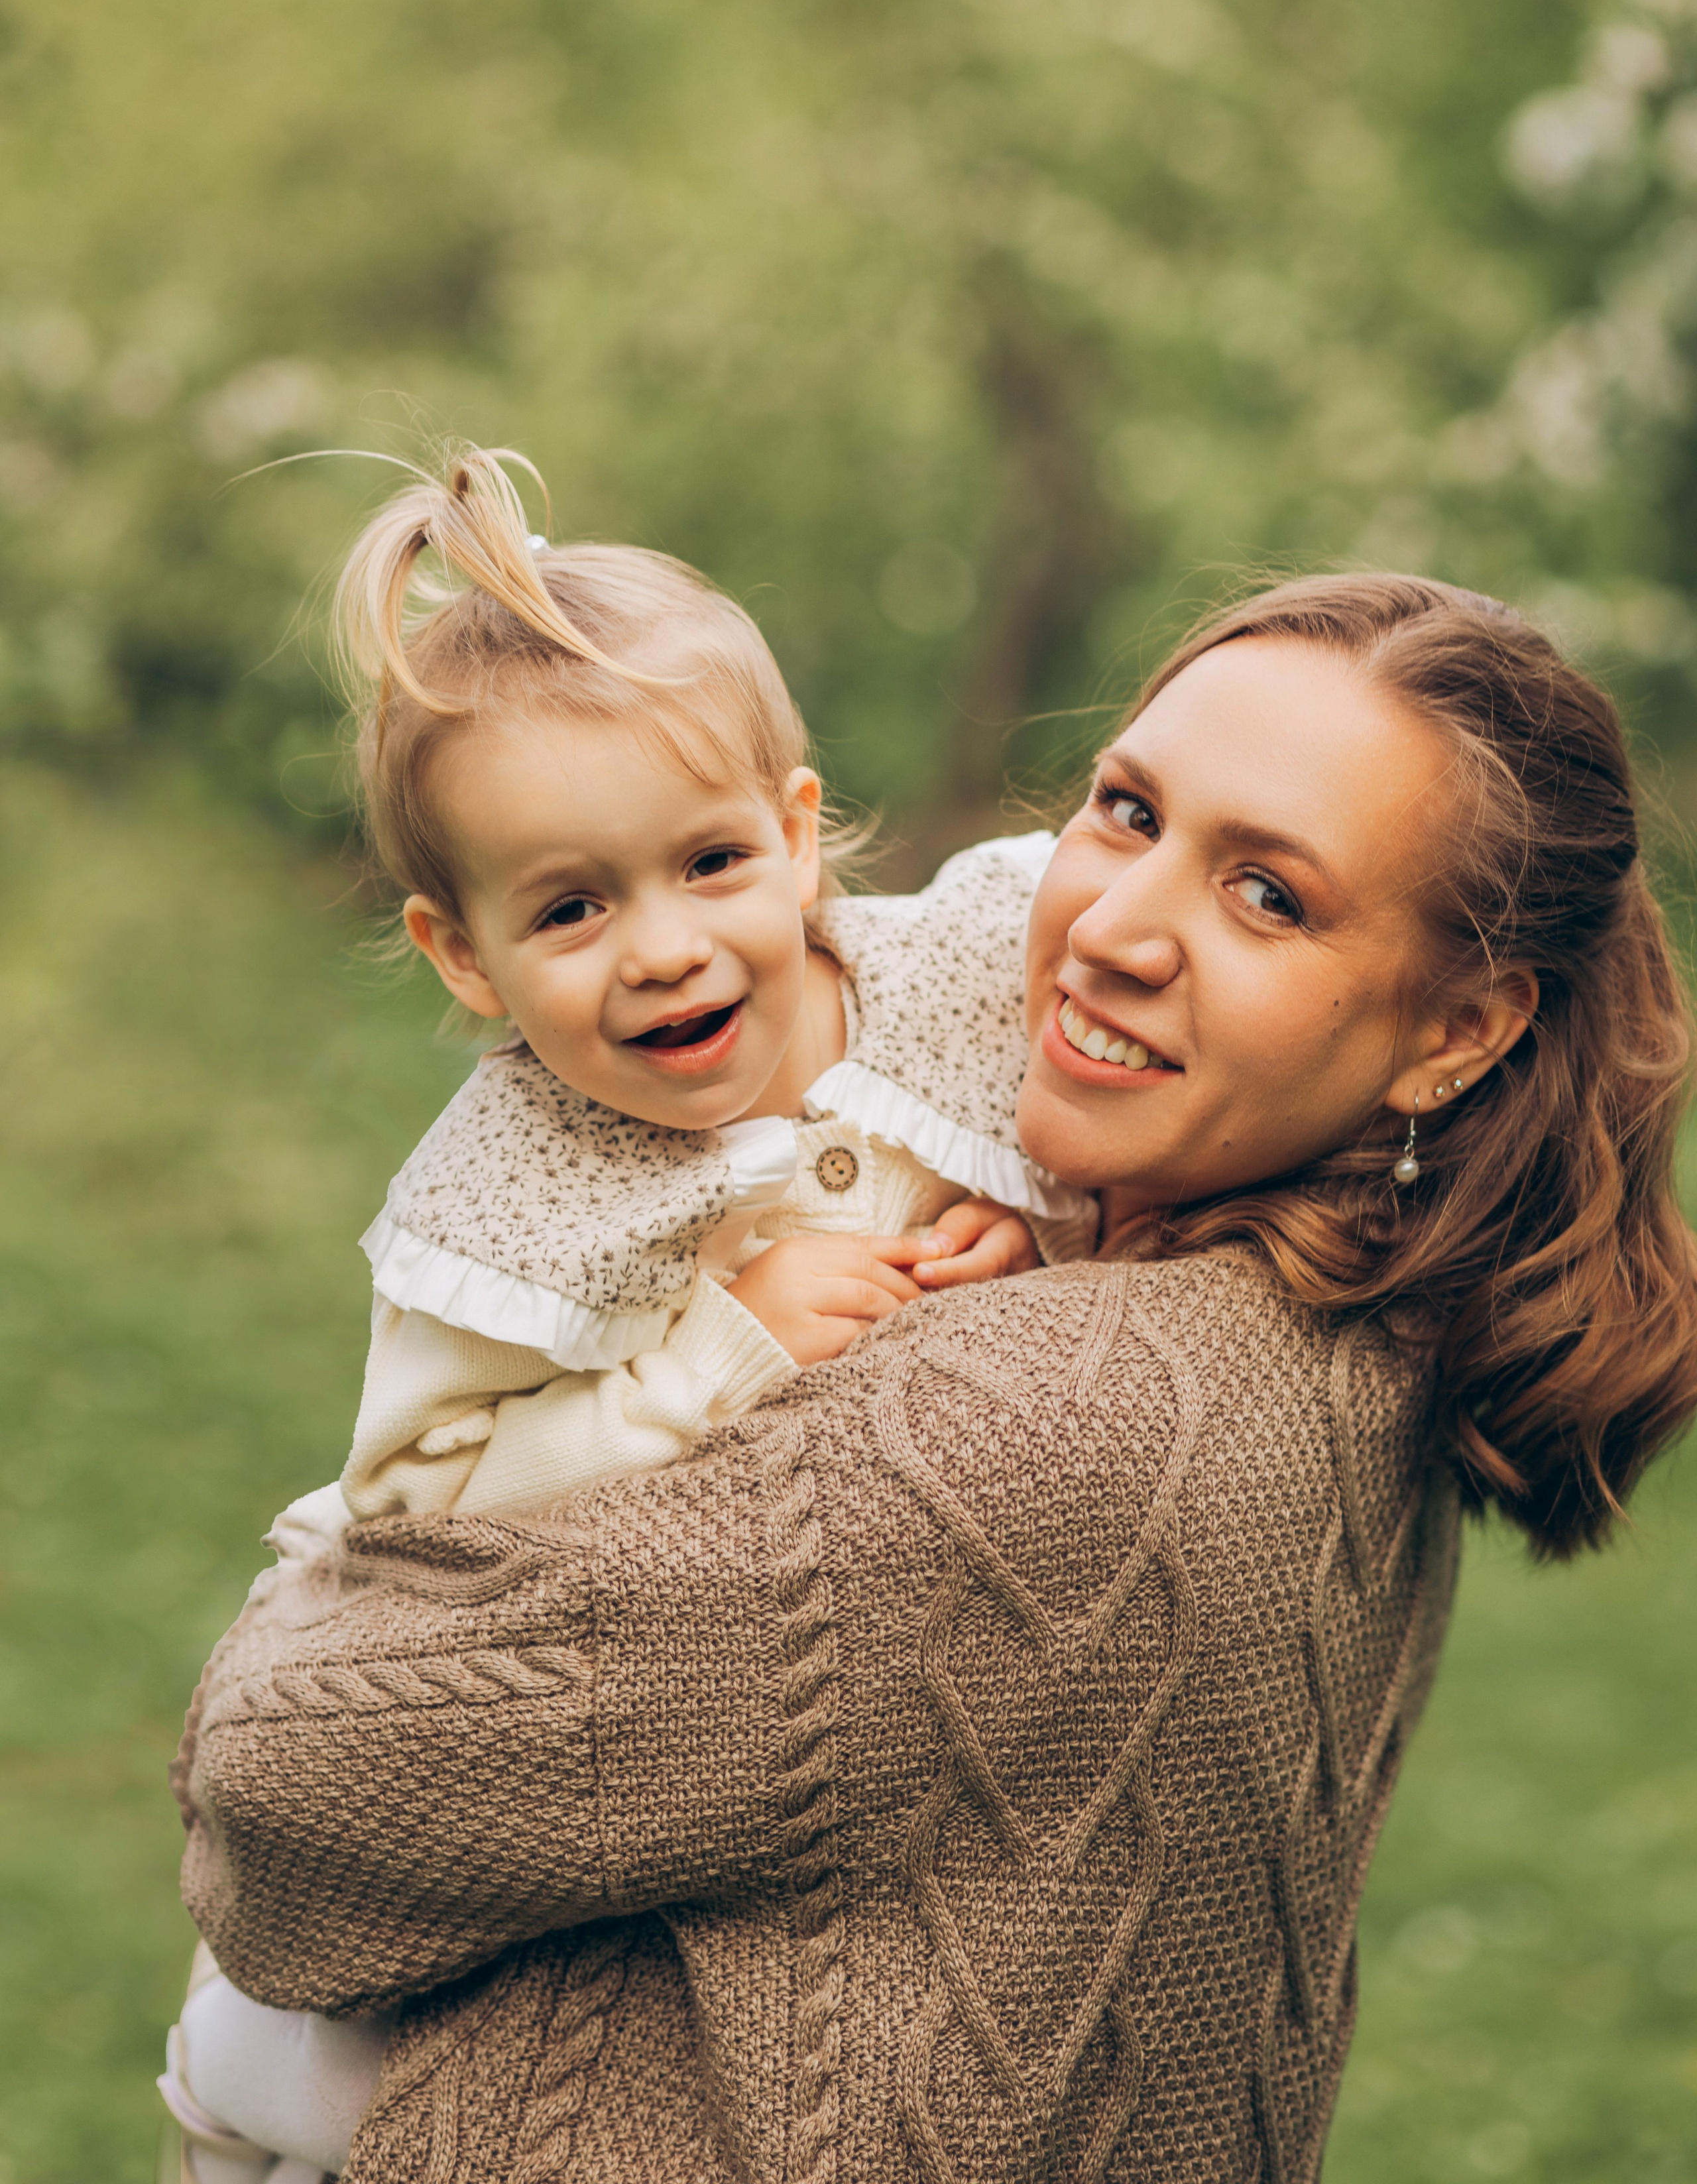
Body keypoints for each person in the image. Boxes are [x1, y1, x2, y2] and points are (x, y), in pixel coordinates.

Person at [171, 573, 1697, 2182]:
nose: (1107, 925)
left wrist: (294, 1614)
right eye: (1124, 811)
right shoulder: (1370, 1327)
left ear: (1454, 1030)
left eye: (1267, 896)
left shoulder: (1038, 1423)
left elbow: (283, 1811)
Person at [158, 441, 1089, 2177]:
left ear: (799, 837)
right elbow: (412, 1509)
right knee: (333, 2065)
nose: (663, 946)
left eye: (711, 861)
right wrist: (713, 1355)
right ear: (464, 956)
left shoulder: (950, 994)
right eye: (573, 908)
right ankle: (235, 2091)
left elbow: (1098, 1140)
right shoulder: (511, 1189)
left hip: (771, 1721)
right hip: (441, 1673)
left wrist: (1032, 1236)